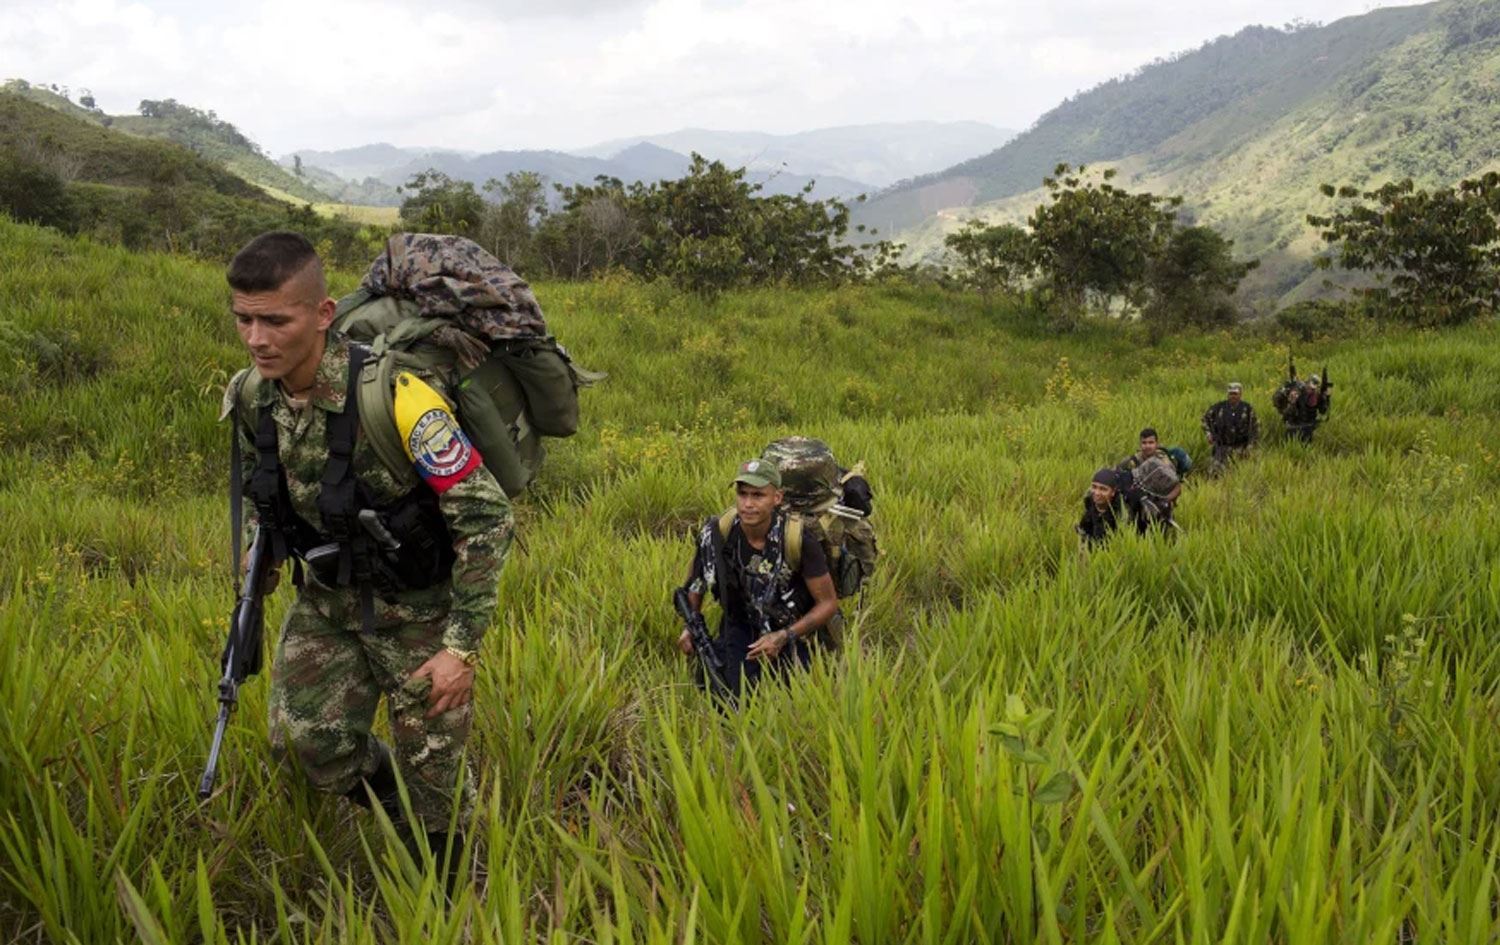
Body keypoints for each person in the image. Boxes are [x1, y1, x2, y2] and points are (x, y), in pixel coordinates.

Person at [220, 232, 513, 876]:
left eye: (275, 319)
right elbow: (263, 490)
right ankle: (391, 800)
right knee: (304, 745)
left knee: (435, 787)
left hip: (419, 615)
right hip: (327, 603)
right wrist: (257, 555)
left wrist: (460, 648)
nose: (256, 338)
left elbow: (487, 516)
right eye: (244, 319)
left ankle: (446, 893)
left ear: (322, 315)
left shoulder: (399, 396)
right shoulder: (250, 396)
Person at [678, 458, 840, 695]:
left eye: (758, 495)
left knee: (799, 694)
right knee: (722, 692)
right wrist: (689, 626)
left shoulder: (797, 539)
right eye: (742, 494)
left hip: (790, 626)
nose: (748, 504)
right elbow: (697, 582)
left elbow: (828, 603)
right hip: (740, 622)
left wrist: (784, 636)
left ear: (777, 498)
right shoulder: (718, 531)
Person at [1116, 427, 1183, 529]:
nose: (1147, 446)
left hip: (1159, 504)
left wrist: (1165, 501)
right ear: (1140, 444)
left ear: (1157, 444)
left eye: (1151, 443)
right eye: (1144, 443)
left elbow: (1177, 488)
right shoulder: (1131, 461)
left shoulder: (1165, 464)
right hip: (1136, 504)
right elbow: (1115, 477)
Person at [1075, 468, 1147, 546]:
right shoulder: (1089, 500)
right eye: (1094, 487)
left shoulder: (1123, 512)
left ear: (1113, 492)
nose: (1097, 493)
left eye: (1103, 489)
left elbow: (1123, 544)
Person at [1201, 382, 1260, 475]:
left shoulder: (1247, 408)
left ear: (1240, 394)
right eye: (1230, 393)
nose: (1233, 396)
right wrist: (1209, 434)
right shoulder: (1218, 407)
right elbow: (1205, 419)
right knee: (1213, 473)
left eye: (1235, 394)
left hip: (1241, 448)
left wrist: (1250, 446)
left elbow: (1255, 428)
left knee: (1243, 473)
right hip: (1221, 448)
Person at [1284, 373, 1331, 442]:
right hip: (1295, 424)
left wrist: (1326, 399)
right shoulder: (1298, 392)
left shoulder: (1318, 396)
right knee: (1291, 438)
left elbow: (1323, 411)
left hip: (1309, 425)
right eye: (1310, 388)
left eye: (1314, 389)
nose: (1312, 390)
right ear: (1307, 384)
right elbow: (1287, 414)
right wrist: (1292, 402)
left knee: (1306, 442)